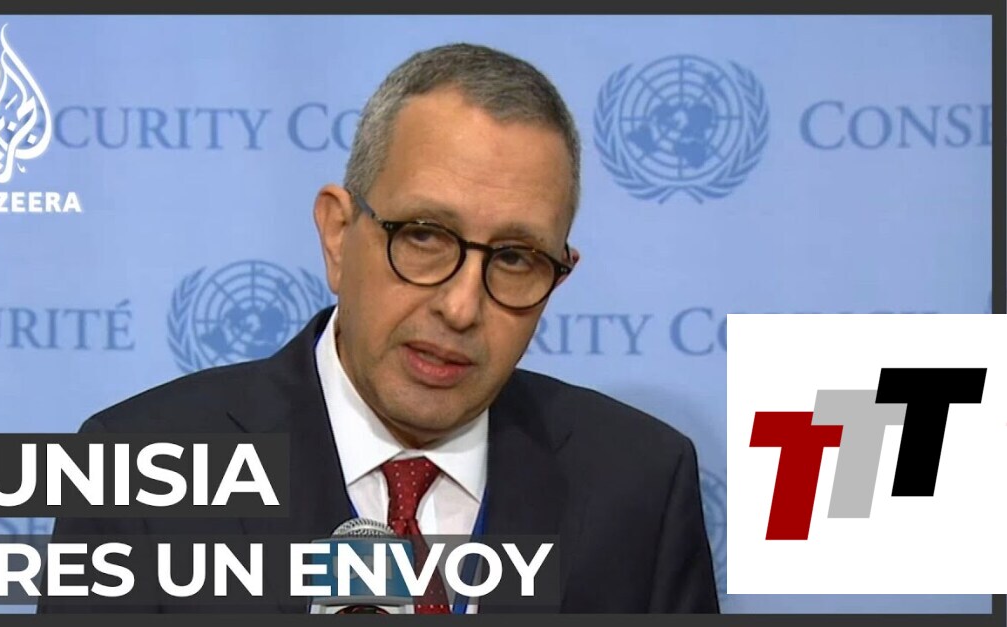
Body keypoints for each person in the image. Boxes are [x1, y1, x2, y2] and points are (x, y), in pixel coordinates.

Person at [40, 42, 719, 614]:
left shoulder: (639, 485)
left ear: (557, 277)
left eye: (515, 258)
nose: (460, 307)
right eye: (424, 235)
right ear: (338, 234)